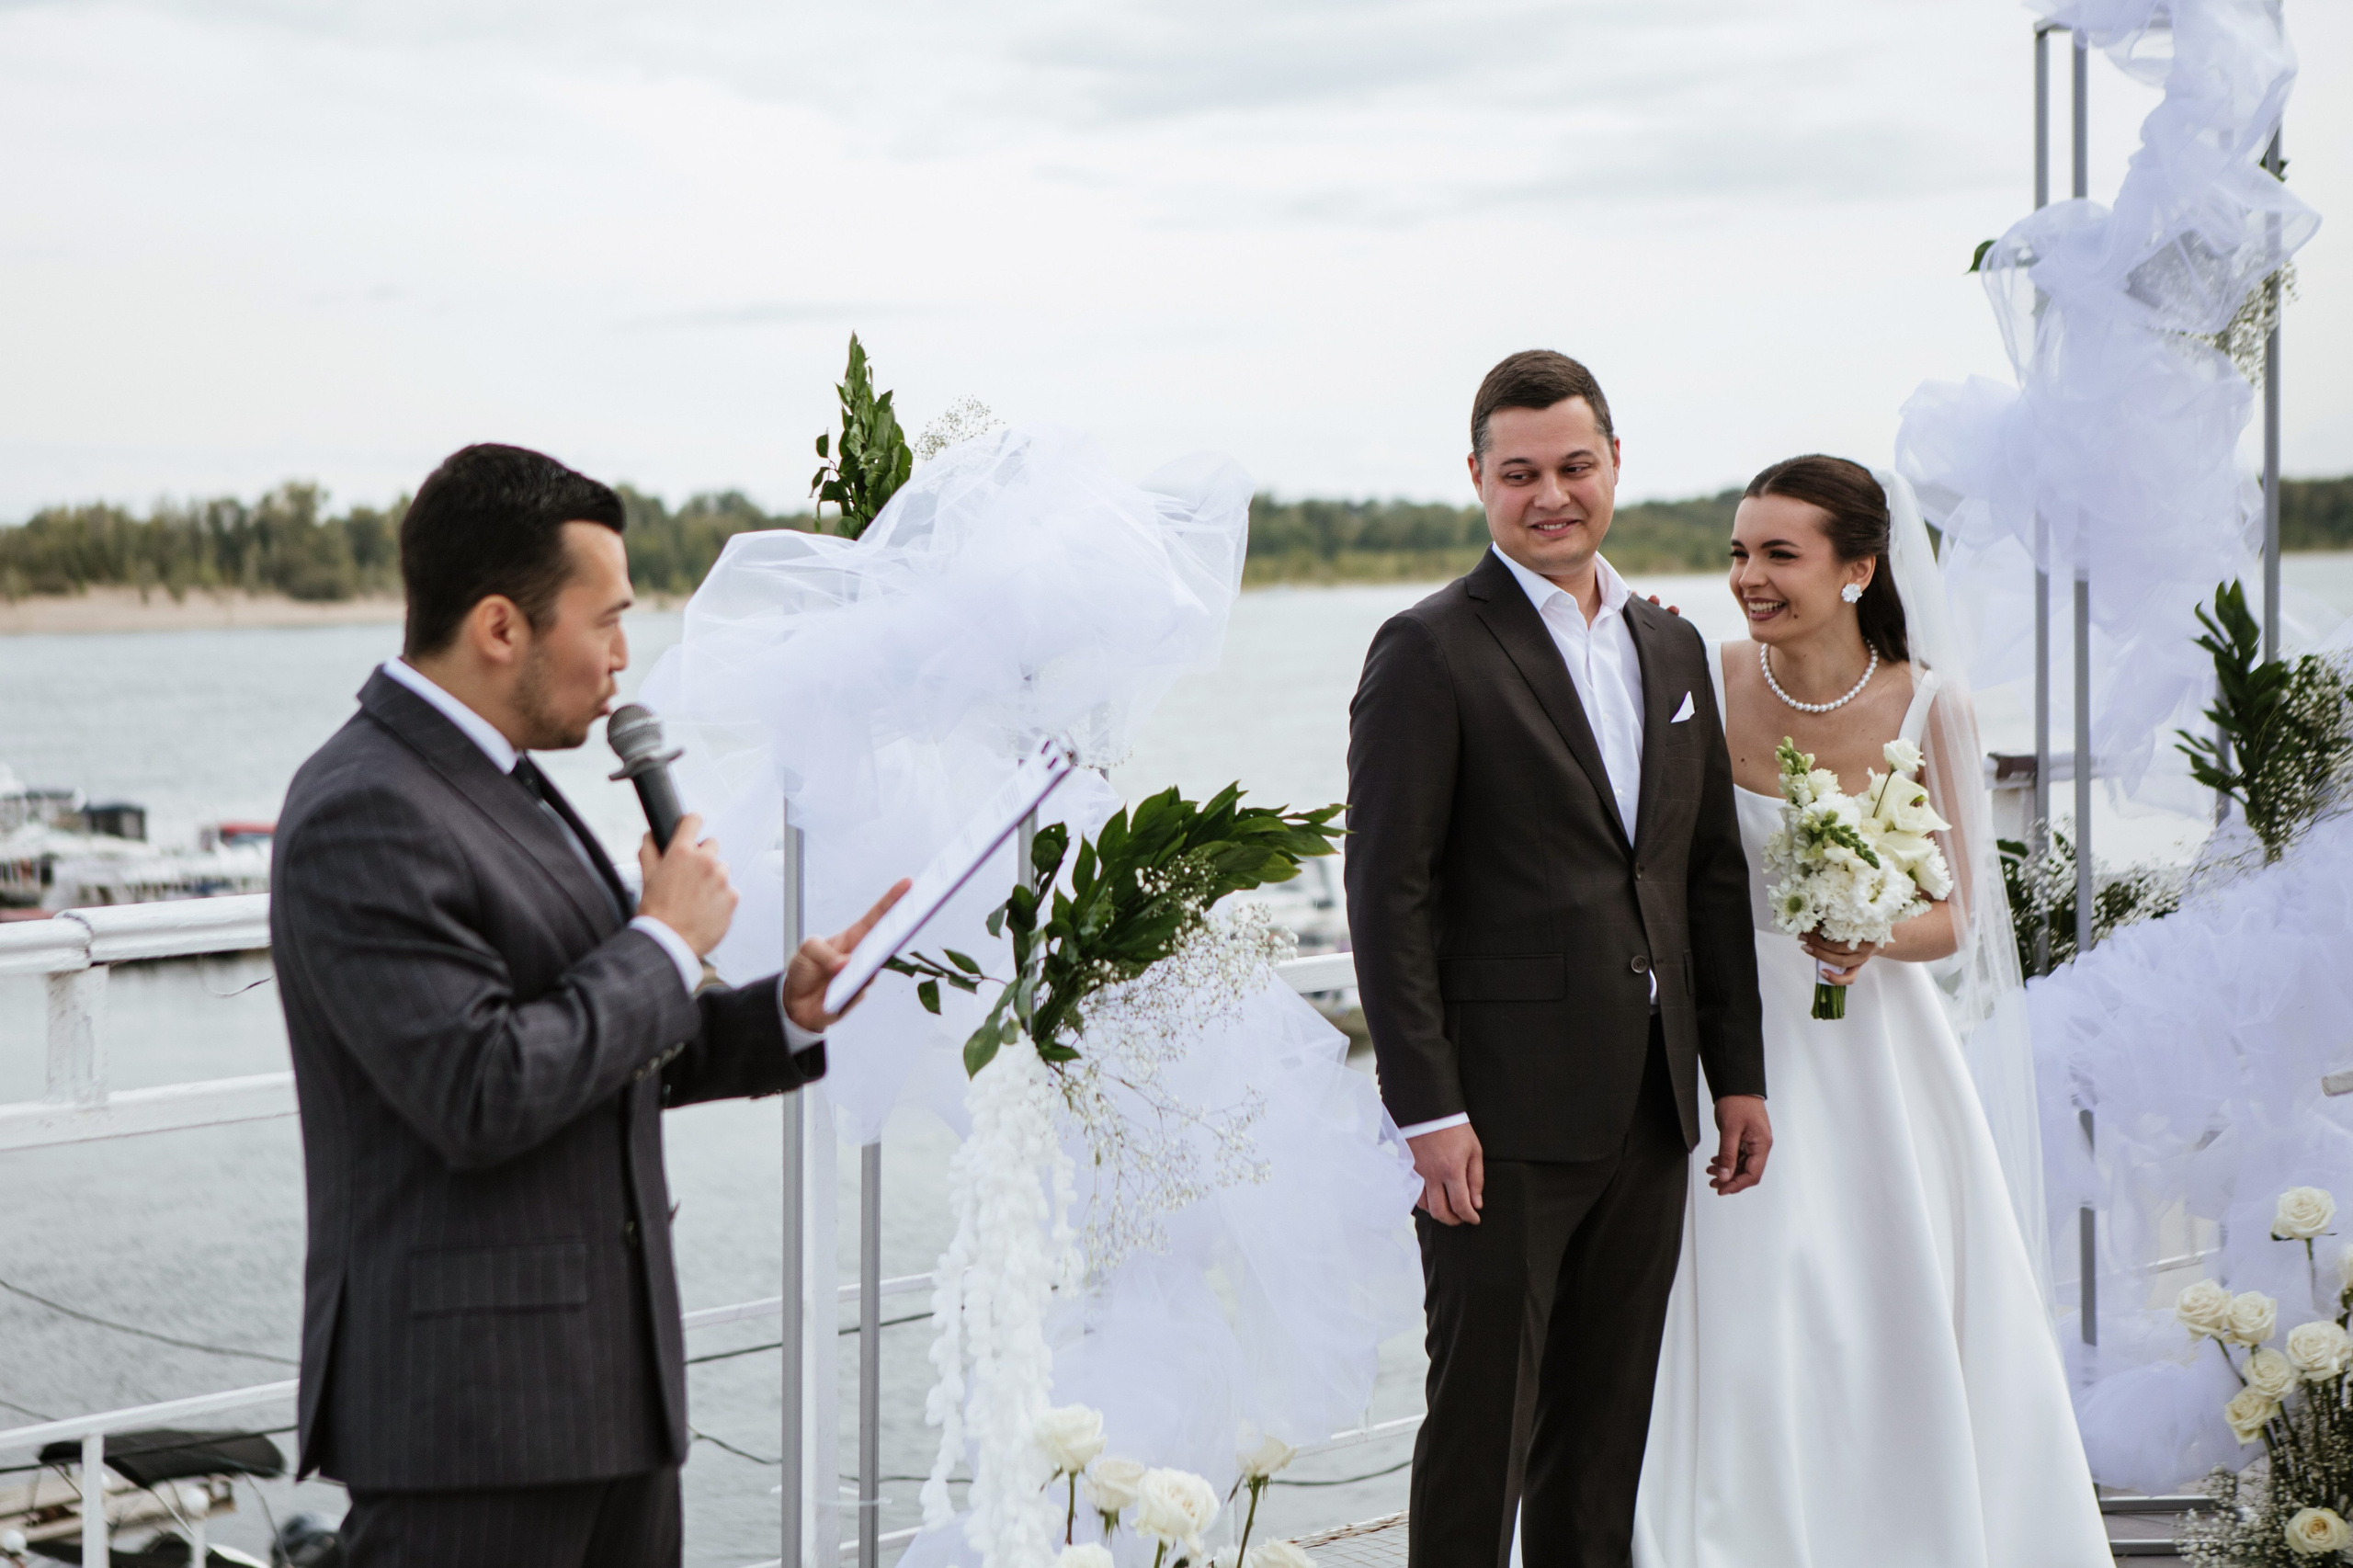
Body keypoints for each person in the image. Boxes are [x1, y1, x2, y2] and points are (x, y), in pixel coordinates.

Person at [269, 443, 905, 1568]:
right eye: (604, 621)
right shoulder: (362, 808)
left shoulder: (508, 779)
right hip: (471, 1425)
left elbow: (602, 1040)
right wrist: (664, 940)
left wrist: (784, 1013)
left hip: (609, 1397)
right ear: (501, 626)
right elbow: (479, 1089)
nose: (624, 660)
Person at [1631, 456, 2110, 1567]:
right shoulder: (1704, 672)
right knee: (1747, 1295)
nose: (1748, 576)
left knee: (1874, 1290)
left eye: (1778, 554)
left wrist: (1868, 934)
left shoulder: (1930, 701)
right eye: (1739, 551)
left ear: (1857, 569)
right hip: (1733, 1042)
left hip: (1877, 1057)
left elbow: (1958, 918)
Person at [1346, 350, 1770, 1568]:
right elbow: (1389, 894)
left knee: (1601, 1443)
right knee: (1482, 1431)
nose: (1552, 495)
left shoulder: (1672, 648)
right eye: (1519, 471)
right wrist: (1429, 1108)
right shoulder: (1426, 650)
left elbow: (1704, 877)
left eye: (1575, 466)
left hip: (1650, 1103)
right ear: (1476, 477)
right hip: (1497, 1122)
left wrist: (1733, 1075)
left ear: (1615, 466)